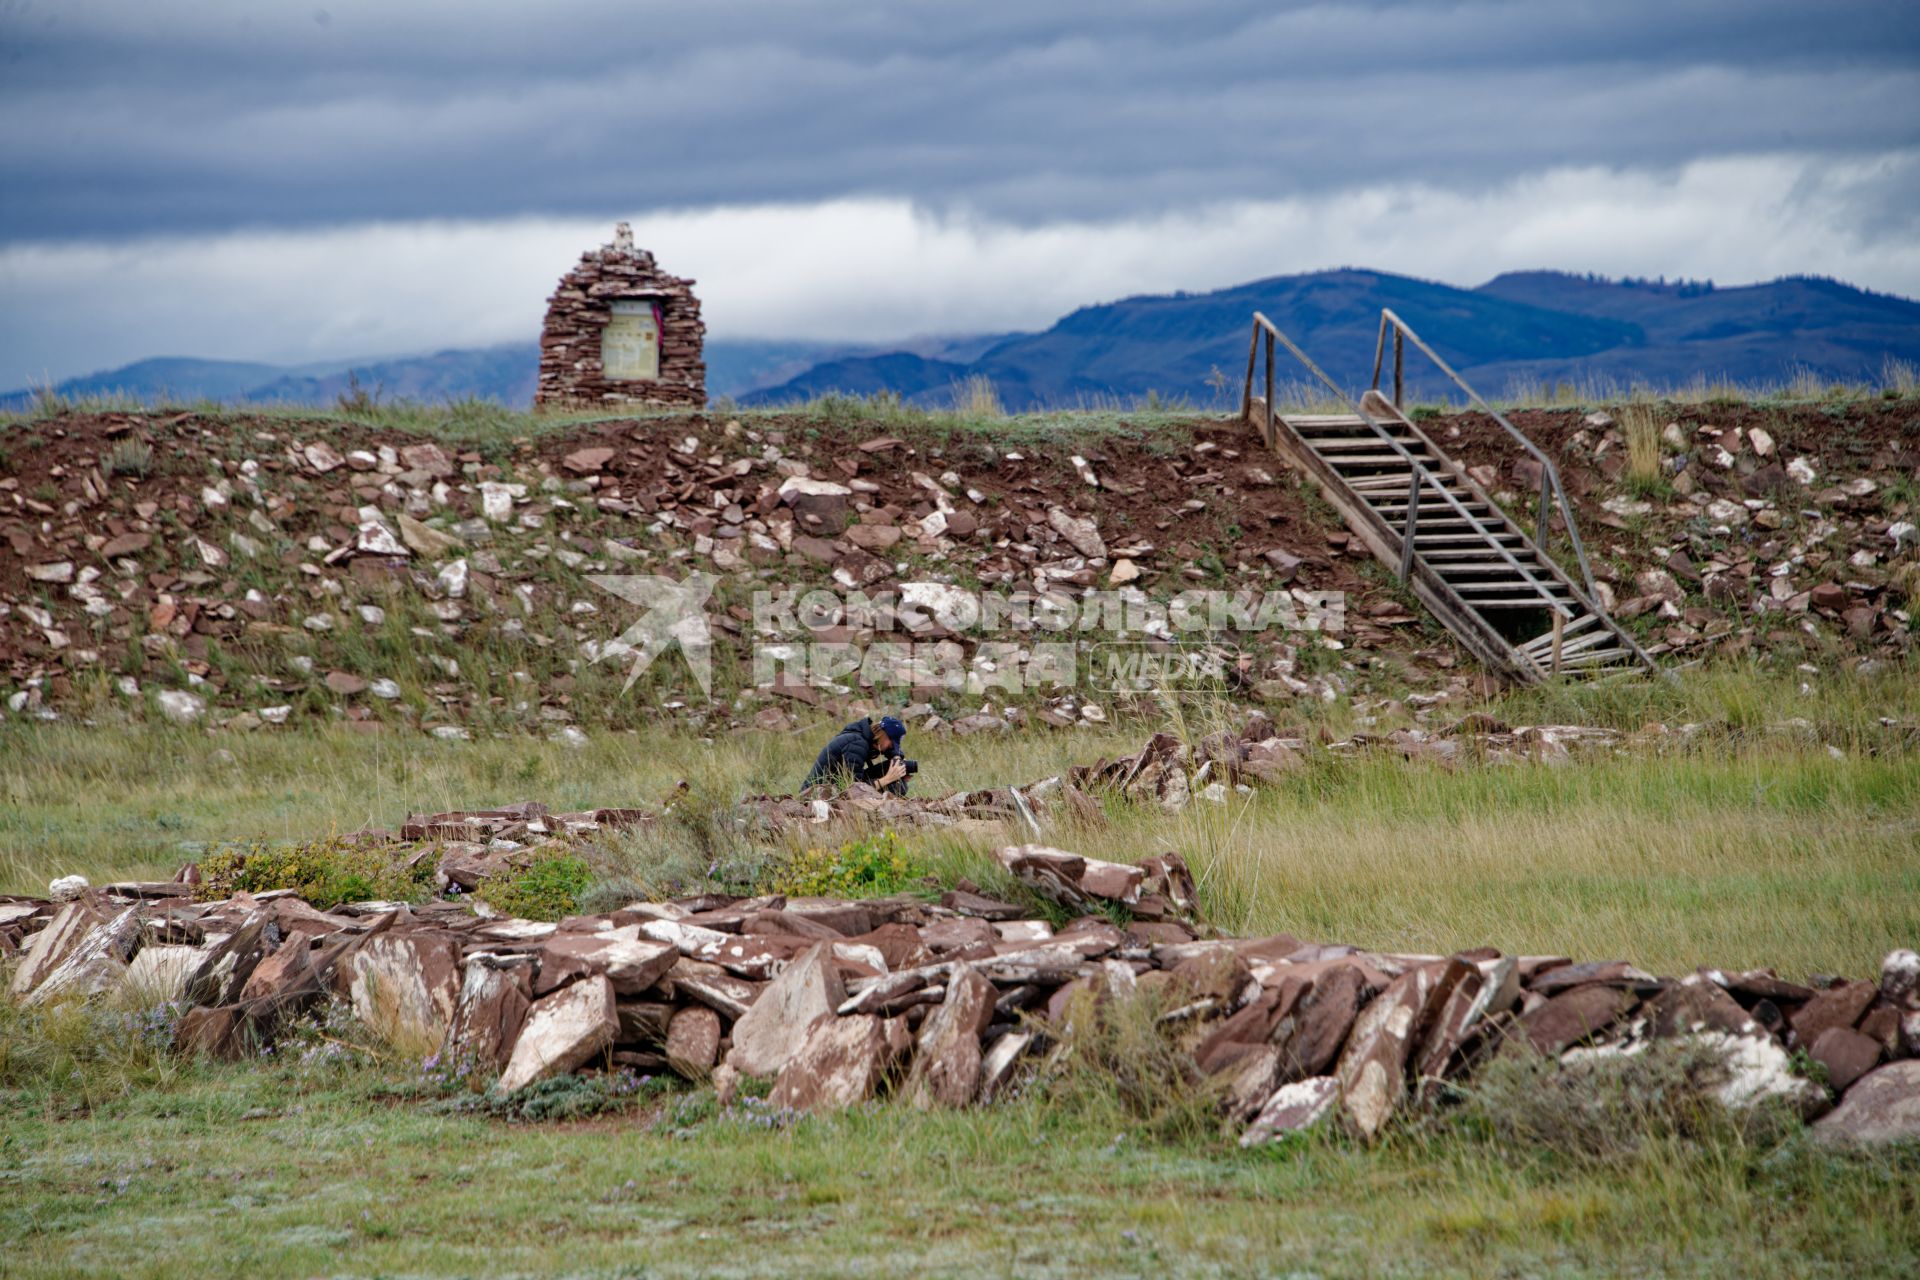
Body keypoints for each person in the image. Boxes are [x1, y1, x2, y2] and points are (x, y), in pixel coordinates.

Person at [802, 714, 910, 796]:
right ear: (884, 736)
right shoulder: (857, 745)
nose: (891, 748)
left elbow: (891, 752)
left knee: (896, 780)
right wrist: (887, 778)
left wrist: (897, 761)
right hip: (816, 794)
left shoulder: (864, 736)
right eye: (892, 744)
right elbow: (853, 790)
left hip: (836, 785)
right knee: (896, 786)